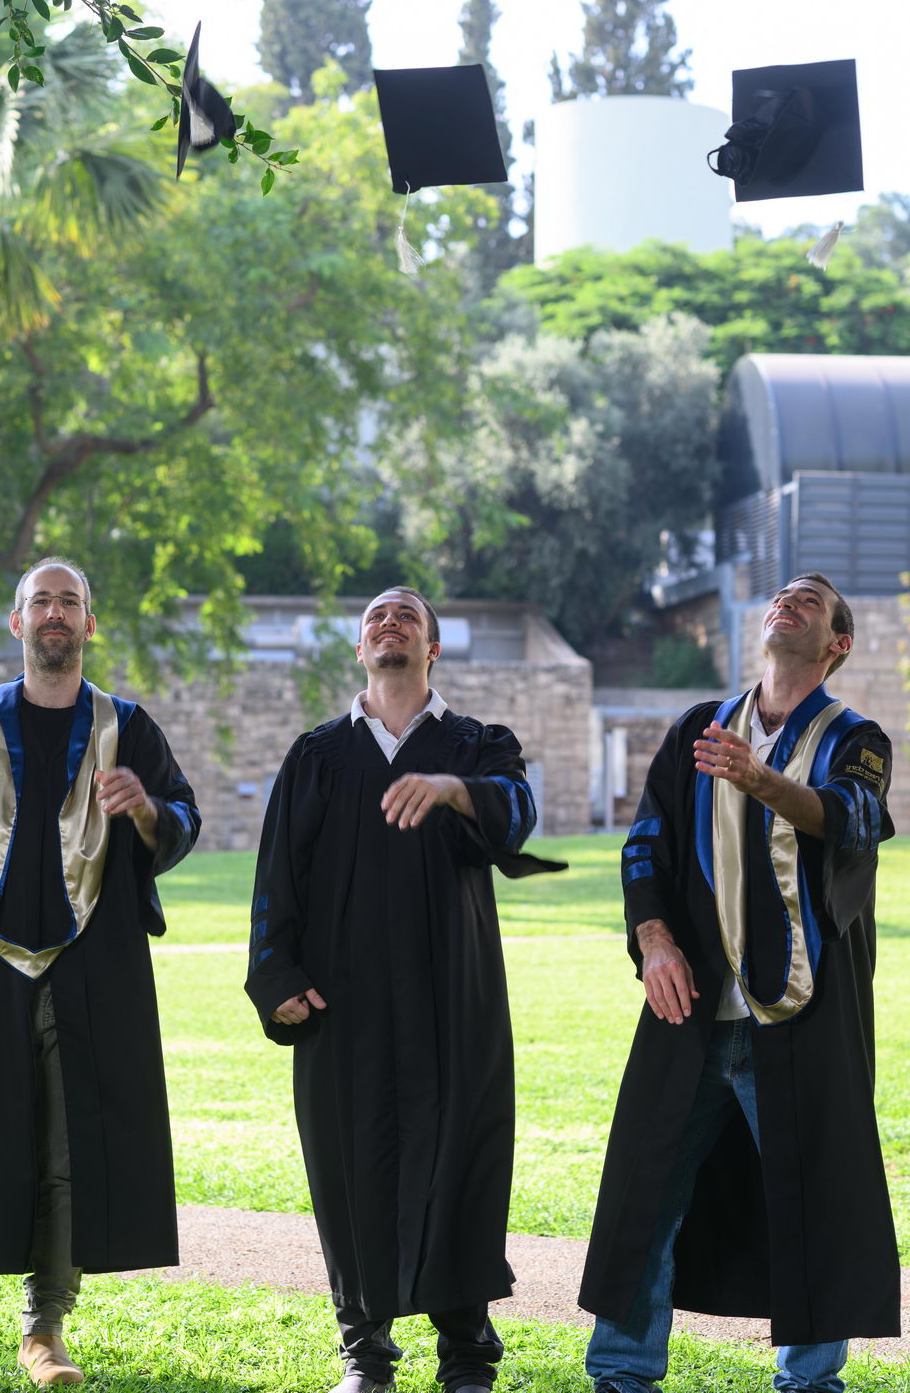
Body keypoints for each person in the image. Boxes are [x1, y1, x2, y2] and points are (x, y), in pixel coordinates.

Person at [0, 558, 201, 1393]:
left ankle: (44, 1332)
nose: (56, 613)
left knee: (69, 1149)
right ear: (17, 622)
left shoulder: (128, 728)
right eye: (41, 601)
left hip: (98, 964)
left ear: (89, 623)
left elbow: (182, 818)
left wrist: (146, 809)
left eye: (70, 602)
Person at [578, 572, 900, 1393]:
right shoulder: (700, 727)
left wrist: (760, 781)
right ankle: (621, 1374)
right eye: (782, 594)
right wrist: (652, 940)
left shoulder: (855, 738)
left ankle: (810, 1382)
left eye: (810, 600)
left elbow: (854, 818)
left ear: (836, 643)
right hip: (688, 1012)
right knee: (645, 1192)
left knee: (812, 1198)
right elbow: (643, 843)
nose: (787, 601)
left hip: (801, 1015)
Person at [245, 586, 561, 1393]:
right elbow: (278, 874)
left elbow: (518, 815)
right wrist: (276, 975)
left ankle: (466, 1355)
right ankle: (365, 1353)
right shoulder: (317, 753)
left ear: (432, 649)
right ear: (360, 649)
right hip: (340, 1000)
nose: (388, 623)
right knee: (349, 1165)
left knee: (460, 1159)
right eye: (375, 618)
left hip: (451, 993)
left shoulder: (477, 744)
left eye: (406, 616)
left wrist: (456, 790)